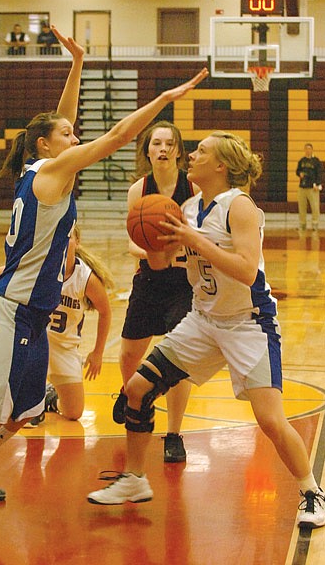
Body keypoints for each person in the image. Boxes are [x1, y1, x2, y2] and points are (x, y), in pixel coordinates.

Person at [0, 24, 208, 533]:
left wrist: (77, 63)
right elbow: (120, 136)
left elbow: (65, 119)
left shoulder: (45, 167)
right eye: (67, 135)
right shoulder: (50, 175)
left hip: (34, 314)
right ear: (46, 144)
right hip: (13, 307)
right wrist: (164, 98)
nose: (75, 137)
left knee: (25, 411)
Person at [87, 131, 325, 531]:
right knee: (136, 388)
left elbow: (247, 270)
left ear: (221, 166)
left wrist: (193, 239)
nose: (191, 156)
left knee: (269, 419)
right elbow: (163, 266)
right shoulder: (189, 207)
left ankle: (311, 492)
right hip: (203, 319)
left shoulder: (241, 207)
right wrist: (153, 241)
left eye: (200, 152)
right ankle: (134, 479)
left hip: (248, 323)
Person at [112, 120, 197, 463]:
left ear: (178, 150)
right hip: (148, 279)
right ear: (147, 150)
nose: (162, 149)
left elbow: (196, 239)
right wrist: (156, 250)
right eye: (156, 143)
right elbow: (133, 243)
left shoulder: (192, 189)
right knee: (128, 355)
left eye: (168, 143)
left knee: (179, 360)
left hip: (183, 283)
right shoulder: (139, 190)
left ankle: (174, 434)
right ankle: (129, 392)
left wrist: (177, 252)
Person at [0, 225, 114, 424]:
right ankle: (28, 400)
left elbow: (105, 312)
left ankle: (49, 398)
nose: (64, 243)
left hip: (65, 349)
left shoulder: (86, 278)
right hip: (33, 343)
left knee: (74, 413)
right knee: (25, 417)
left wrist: (97, 352)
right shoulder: (39, 266)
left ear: (77, 242)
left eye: (69, 238)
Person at [296, 143, 323, 232]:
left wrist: (317, 184)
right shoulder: (302, 161)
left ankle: (315, 224)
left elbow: (319, 174)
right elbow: (297, 171)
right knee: (302, 207)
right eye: (306, 149)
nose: (308, 150)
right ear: (304, 150)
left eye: (309, 149)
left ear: (312, 150)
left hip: (312, 188)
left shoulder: (316, 161)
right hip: (302, 187)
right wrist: (299, 174)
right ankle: (302, 224)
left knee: (315, 207)